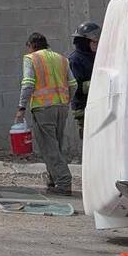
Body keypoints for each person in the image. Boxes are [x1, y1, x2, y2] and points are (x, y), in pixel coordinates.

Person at [15, 32, 77, 196]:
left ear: (32, 45)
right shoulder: (61, 59)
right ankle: (53, 180)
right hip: (61, 107)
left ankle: (63, 183)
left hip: (43, 108)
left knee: (49, 147)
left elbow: (28, 83)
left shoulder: (31, 58)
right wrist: (66, 100)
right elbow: (73, 84)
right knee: (56, 145)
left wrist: (21, 107)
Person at [68, 21, 100, 138]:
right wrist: (102, 83)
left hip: (98, 103)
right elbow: (77, 86)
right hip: (84, 107)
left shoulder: (96, 56)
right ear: (84, 42)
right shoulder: (75, 59)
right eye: (94, 41)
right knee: (92, 139)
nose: (97, 44)